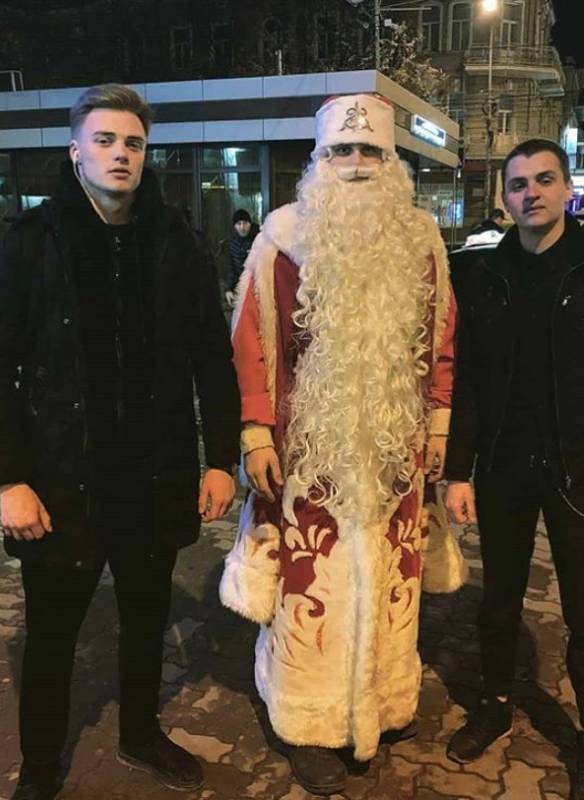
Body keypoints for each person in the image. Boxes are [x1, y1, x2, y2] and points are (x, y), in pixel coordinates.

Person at [0, 84, 240, 800]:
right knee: (52, 636)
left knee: (146, 619)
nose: (120, 154)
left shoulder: (176, 239)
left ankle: (139, 732)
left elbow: (211, 356)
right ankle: (40, 769)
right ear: (76, 151)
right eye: (104, 140)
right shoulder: (33, 240)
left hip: (152, 474)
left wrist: (220, 459)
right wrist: (9, 479)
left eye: (133, 142)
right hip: (61, 479)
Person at [219, 93, 460, 796]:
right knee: (309, 582)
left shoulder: (420, 239)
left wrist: (438, 425)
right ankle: (307, 720)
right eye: (341, 151)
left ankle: (384, 700)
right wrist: (256, 433)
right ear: (319, 161)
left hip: (392, 450)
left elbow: (441, 338)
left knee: (391, 580)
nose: (356, 164)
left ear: (392, 162)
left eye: (370, 151)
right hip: (309, 454)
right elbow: (251, 343)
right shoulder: (283, 236)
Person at [445, 139, 584, 797]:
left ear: (567, 189)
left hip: (575, 469)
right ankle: (495, 704)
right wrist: (458, 471)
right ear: (505, 198)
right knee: (498, 598)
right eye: (520, 184)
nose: (532, 193)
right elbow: (467, 382)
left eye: (544, 180)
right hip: (503, 466)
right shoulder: (484, 275)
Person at [225, 208, 259, 306]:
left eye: (245, 223)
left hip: (256, 287)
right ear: (234, 226)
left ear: (250, 224)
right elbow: (231, 268)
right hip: (239, 287)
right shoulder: (232, 243)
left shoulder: (258, 240)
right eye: (238, 224)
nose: (242, 227)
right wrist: (228, 289)